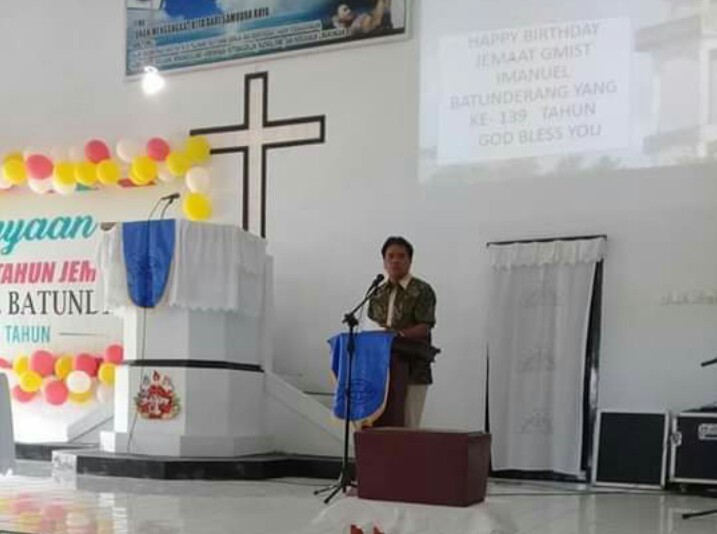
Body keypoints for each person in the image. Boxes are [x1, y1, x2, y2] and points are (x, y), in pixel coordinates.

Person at [368, 236, 437, 428]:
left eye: (401, 256)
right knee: (381, 426)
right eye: (390, 256)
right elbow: (372, 325)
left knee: (408, 427)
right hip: (382, 370)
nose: (395, 261)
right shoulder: (377, 293)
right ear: (384, 262)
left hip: (413, 369)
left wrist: (396, 336)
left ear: (410, 260)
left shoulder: (422, 290)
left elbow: (424, 327)